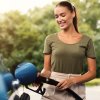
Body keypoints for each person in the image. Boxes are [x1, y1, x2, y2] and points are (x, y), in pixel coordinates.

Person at [40, 1, 96, 100]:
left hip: (76, 90)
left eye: (62, 15)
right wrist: (39, 77)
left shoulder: (87, 41)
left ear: (73, 13)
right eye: (56, 16)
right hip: (53, 88)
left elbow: (92, 72)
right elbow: (47, 70)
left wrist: (73, 80)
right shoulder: (50, 39)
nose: (59, 19)